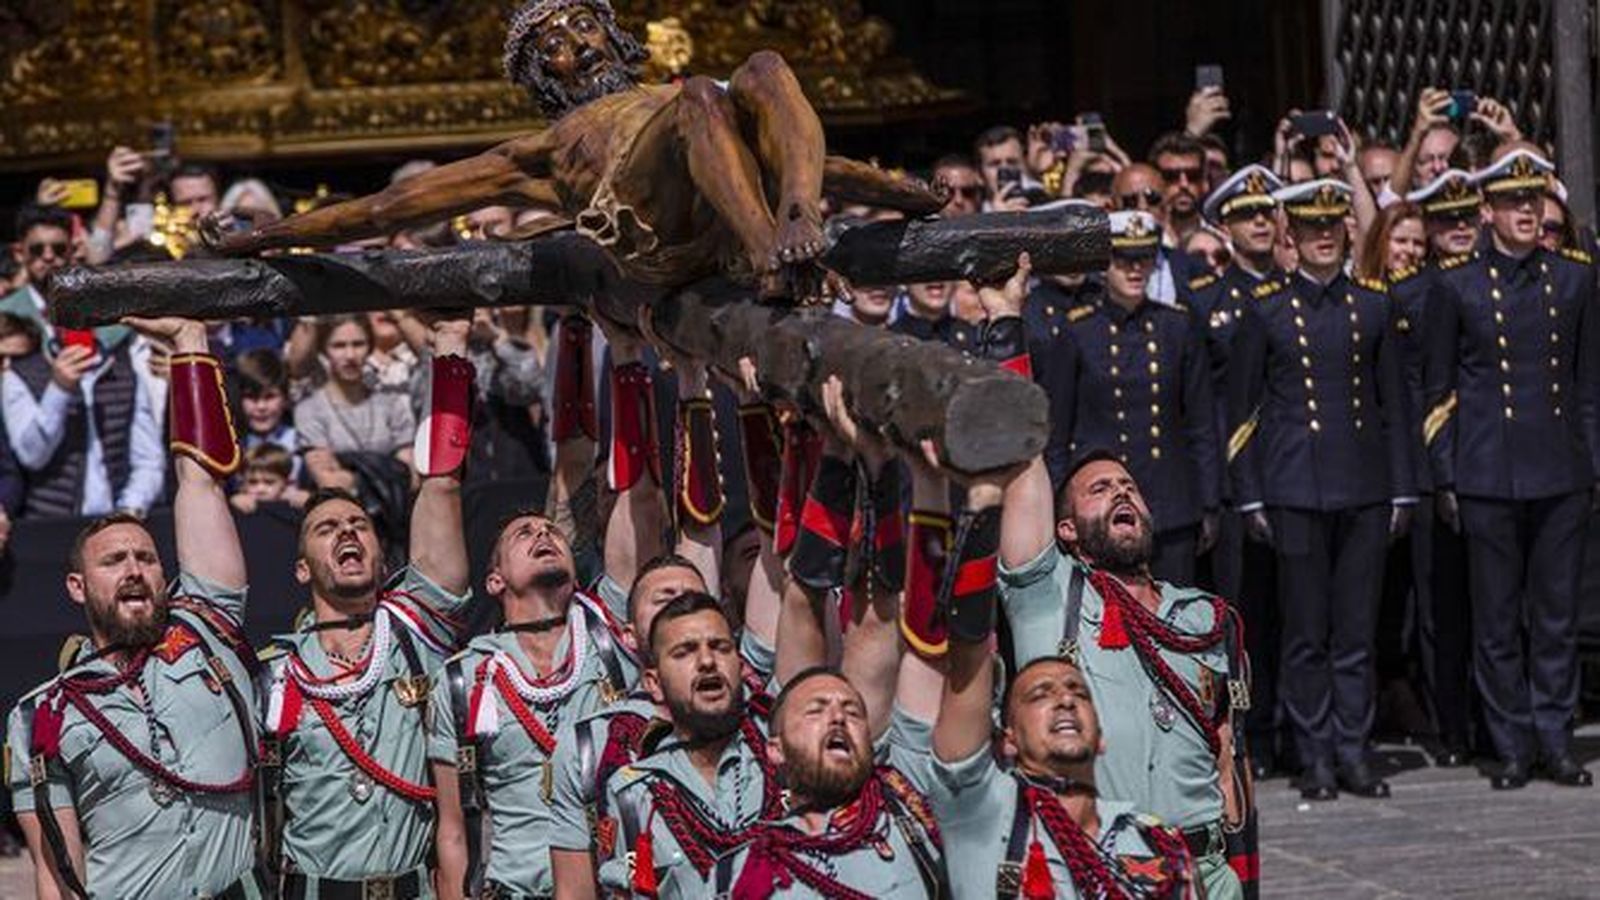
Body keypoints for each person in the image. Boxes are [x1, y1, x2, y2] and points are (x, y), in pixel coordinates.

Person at [6, 315, 263, 898]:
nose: (133, 569)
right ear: (77, 587)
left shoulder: (211, 633)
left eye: (146, 558)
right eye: (113, 560)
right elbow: (57, 875)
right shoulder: (40, 715)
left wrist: (190, 346)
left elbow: (199, 485)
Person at [255, 313, 476, 896]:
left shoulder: (416, 627)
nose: (348, 531)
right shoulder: (275, 672)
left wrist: (449, 352)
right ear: (301, 568)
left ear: (382, 559)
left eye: (359, 524)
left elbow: (442, 485)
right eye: (326, 528)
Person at [933, 455, 1199, 898]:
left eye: (1128, 484)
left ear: (1102, 736)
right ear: (1007, 737)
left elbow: (1226, 751)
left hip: (1191, 856)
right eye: (1100, 488)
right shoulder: (1048, 595)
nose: (1066, 700)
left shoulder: (1202, 615)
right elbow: (967, 655)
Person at [1228, 178, 1415, 801]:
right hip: (1295, 484)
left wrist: (1403, 490)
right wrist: (1250, 494)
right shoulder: (1268, 310)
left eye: (1332, 226)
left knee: (1355, 631)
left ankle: (1354, 751)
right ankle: (1315, 755)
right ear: (1292, 236)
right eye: (1311, 228)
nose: (1324, 237)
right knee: (1307, 632)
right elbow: (1244, 411)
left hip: (1362, 483)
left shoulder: (1373, 306)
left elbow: (1395, 407)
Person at [1421, 146, 1597, 789]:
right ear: (1488, 209)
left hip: (1559, 465)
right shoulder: (1458, 282)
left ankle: (1555, 737)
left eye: (1533, 200)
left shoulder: (1573, 277)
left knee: (1554, 616)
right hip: (1488, 468)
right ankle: (1511, 743)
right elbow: (1437, 390)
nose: (1526, 212)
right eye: (1512, 202)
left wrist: (1592, 463)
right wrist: (1446, 473)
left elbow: (1586, 384)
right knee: (1496, 619)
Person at [1184, 164, 1287, 776]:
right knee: (1237, 617)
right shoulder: (1206, 303)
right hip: (1230, 476)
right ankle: (1245, 735)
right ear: (1224, 226)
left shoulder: (1294, 291)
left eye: (1267, 213)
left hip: (1291, 471)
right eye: (1246, 214)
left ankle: (1289, 730)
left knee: (1290, 614)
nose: (1259, 223)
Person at [1059, 210, 1220, 585]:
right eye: (1123, 259)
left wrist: (1208, 502)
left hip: (1170, 499)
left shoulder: (1176, 326)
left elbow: (1200, 423)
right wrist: (1059, 507)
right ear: (1104, 265)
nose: (1135, 269)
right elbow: (1059, 431)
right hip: (1101, 509)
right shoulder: (1078, 331)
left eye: (1144, 258)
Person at [1385, 171, 1485, 767]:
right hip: (1431, 467)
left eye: (1465, 218)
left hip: (1494, 461)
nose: (1456, 230)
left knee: (1501, 607)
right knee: (1441, 606)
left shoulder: (1494, 282)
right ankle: (1453, 725)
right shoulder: (1410, 295)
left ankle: (1498, 718)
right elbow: (1404, 395)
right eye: (1444, 220)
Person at [295, 314, 416, 491]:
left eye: (358, 344)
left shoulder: (392, 404)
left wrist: (350, 475)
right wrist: (387, 471)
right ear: (324, 350)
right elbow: (329, 482)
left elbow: (410, 478)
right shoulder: (309, 410)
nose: (350, 355)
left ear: (369, 348)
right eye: (339, 346)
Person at [1148, 132, 1211, 249]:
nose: (1184, 184)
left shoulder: (1223, 245)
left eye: (1193, 176)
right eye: (1171, 176)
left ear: (1205, 183)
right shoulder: (1142, 242)